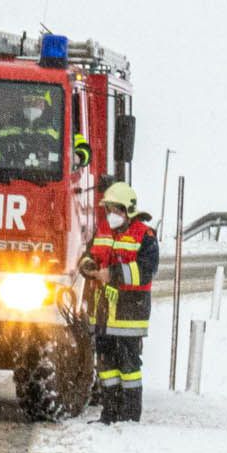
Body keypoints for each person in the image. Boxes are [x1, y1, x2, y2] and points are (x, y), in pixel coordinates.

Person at [82, 180, 159, 424]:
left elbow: (145, 271)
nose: (110, 214)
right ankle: (109, 414)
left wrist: (113, 274)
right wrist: (89, 267)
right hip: (103, 315)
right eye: (108, 209)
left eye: (115, 209)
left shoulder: (145, 236)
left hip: (128, 316)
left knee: (129, 369)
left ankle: (129, 418)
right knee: (107, 368)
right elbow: (87, 256)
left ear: (128, 210)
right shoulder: (103, 231)